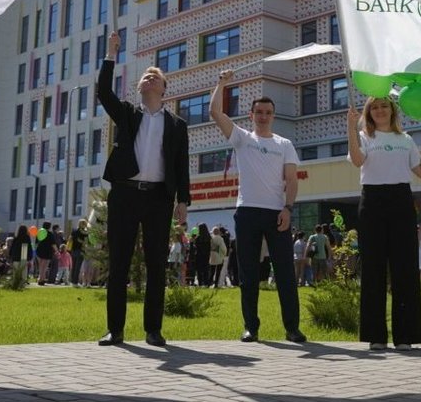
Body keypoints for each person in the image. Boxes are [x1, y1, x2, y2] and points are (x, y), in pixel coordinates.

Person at [96, 31, 190, 347]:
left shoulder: (177, 125)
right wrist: (111, 54)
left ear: (164, 88)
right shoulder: (126, 113)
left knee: (155, 265)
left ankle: (153, 329)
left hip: (158, 199)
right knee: (119, 262)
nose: (149, 78)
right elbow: (103, 91)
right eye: (145, 77)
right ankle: (115, 330)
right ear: (140, 87)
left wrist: (183, 201)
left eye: (155, 76)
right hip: (124, 194)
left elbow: (181, 165)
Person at [211, 68, 304, 342]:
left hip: (277, 214)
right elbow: (215, 113)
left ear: (273, 116)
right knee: (249, 275)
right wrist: (222, 83)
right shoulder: (242, 138)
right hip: (247, 213)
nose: (263, 116)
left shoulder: (284, 144)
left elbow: (291, 178)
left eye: (268, 112)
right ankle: (251, 327)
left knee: (286, 273)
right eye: (259, 112)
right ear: (251, 115)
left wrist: (288, 208)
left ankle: (292, 328)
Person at [347, 96, 421, 350]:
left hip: (401, 200)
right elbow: (357, 161)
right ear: (368, 113)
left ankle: (405, 336)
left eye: (384, 106)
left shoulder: (405, 139)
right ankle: (375, 335)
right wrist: (351, 129)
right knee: (373, 268)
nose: (380, 110)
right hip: (372, 200)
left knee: (405, 268)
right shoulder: (364, 136)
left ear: (392, 110)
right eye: (374, 107)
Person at [70, 219, 90, 288]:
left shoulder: (74, 230)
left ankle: (72, 281)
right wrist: (82, 242)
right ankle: (75, 282)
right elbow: (86, 242)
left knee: (74, 266)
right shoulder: (84, 232)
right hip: (80, 250)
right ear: (84, 224)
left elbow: (70, 239)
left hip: (73, 250)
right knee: (77, 267)